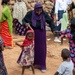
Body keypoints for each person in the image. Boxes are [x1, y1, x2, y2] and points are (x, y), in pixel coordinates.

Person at [22, 2, 55, 72]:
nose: (39, 12)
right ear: (35, 9)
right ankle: (32, 64)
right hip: (33, 34)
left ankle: (42, 65)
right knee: (33, 49)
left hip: (41, 34)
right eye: (37, 11)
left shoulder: (44, 14)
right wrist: (25, 24)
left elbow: (50, 21)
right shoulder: (30, 14)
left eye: (40, 10)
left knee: (41, 49)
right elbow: (24, 20)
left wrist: (53, 29)